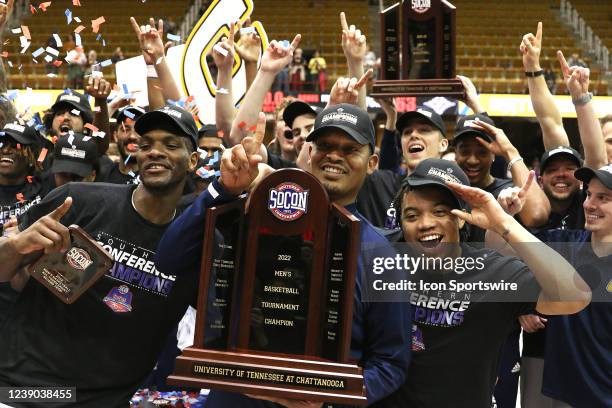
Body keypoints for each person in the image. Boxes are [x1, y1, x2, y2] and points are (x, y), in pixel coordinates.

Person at [155, 104, 412, 406]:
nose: (334, 155)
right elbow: (168, 258)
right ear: (309, 152)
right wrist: (223, 189)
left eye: (349, 149)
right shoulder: (252, 214)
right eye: (325, 146)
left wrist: (327, 400)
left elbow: (391, 363)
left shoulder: (381, 256)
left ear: (371, 163)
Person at [0, 104, 220, 407]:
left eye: (170, 144)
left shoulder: (198, 240)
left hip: (107, 399)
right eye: (146, 145)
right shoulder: (78, 199)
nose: (155, 152)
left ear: (193, 160)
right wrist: (17, 245)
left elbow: (224, 320)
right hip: (22, 390)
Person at [371, 158, 590, 408]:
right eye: (412, 215)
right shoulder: (386, 260)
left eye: (440, 212)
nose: (425, 224)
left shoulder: (492, 273)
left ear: (462, 218)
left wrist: (504, 224)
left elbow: (575, 296)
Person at [536, 165, 612, 408]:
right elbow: (506, 252)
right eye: (589, 194)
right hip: (565, 395)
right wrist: (504, 215)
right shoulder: (564, 244)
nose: (589, 205)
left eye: (604, 198)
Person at [96, 105, 145, 185]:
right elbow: (90, 144)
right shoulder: (102, 174)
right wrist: (110, 107)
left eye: (139, 130)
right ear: (115, 136)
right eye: (125, 129)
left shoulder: (154, 175)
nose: (132, 136)